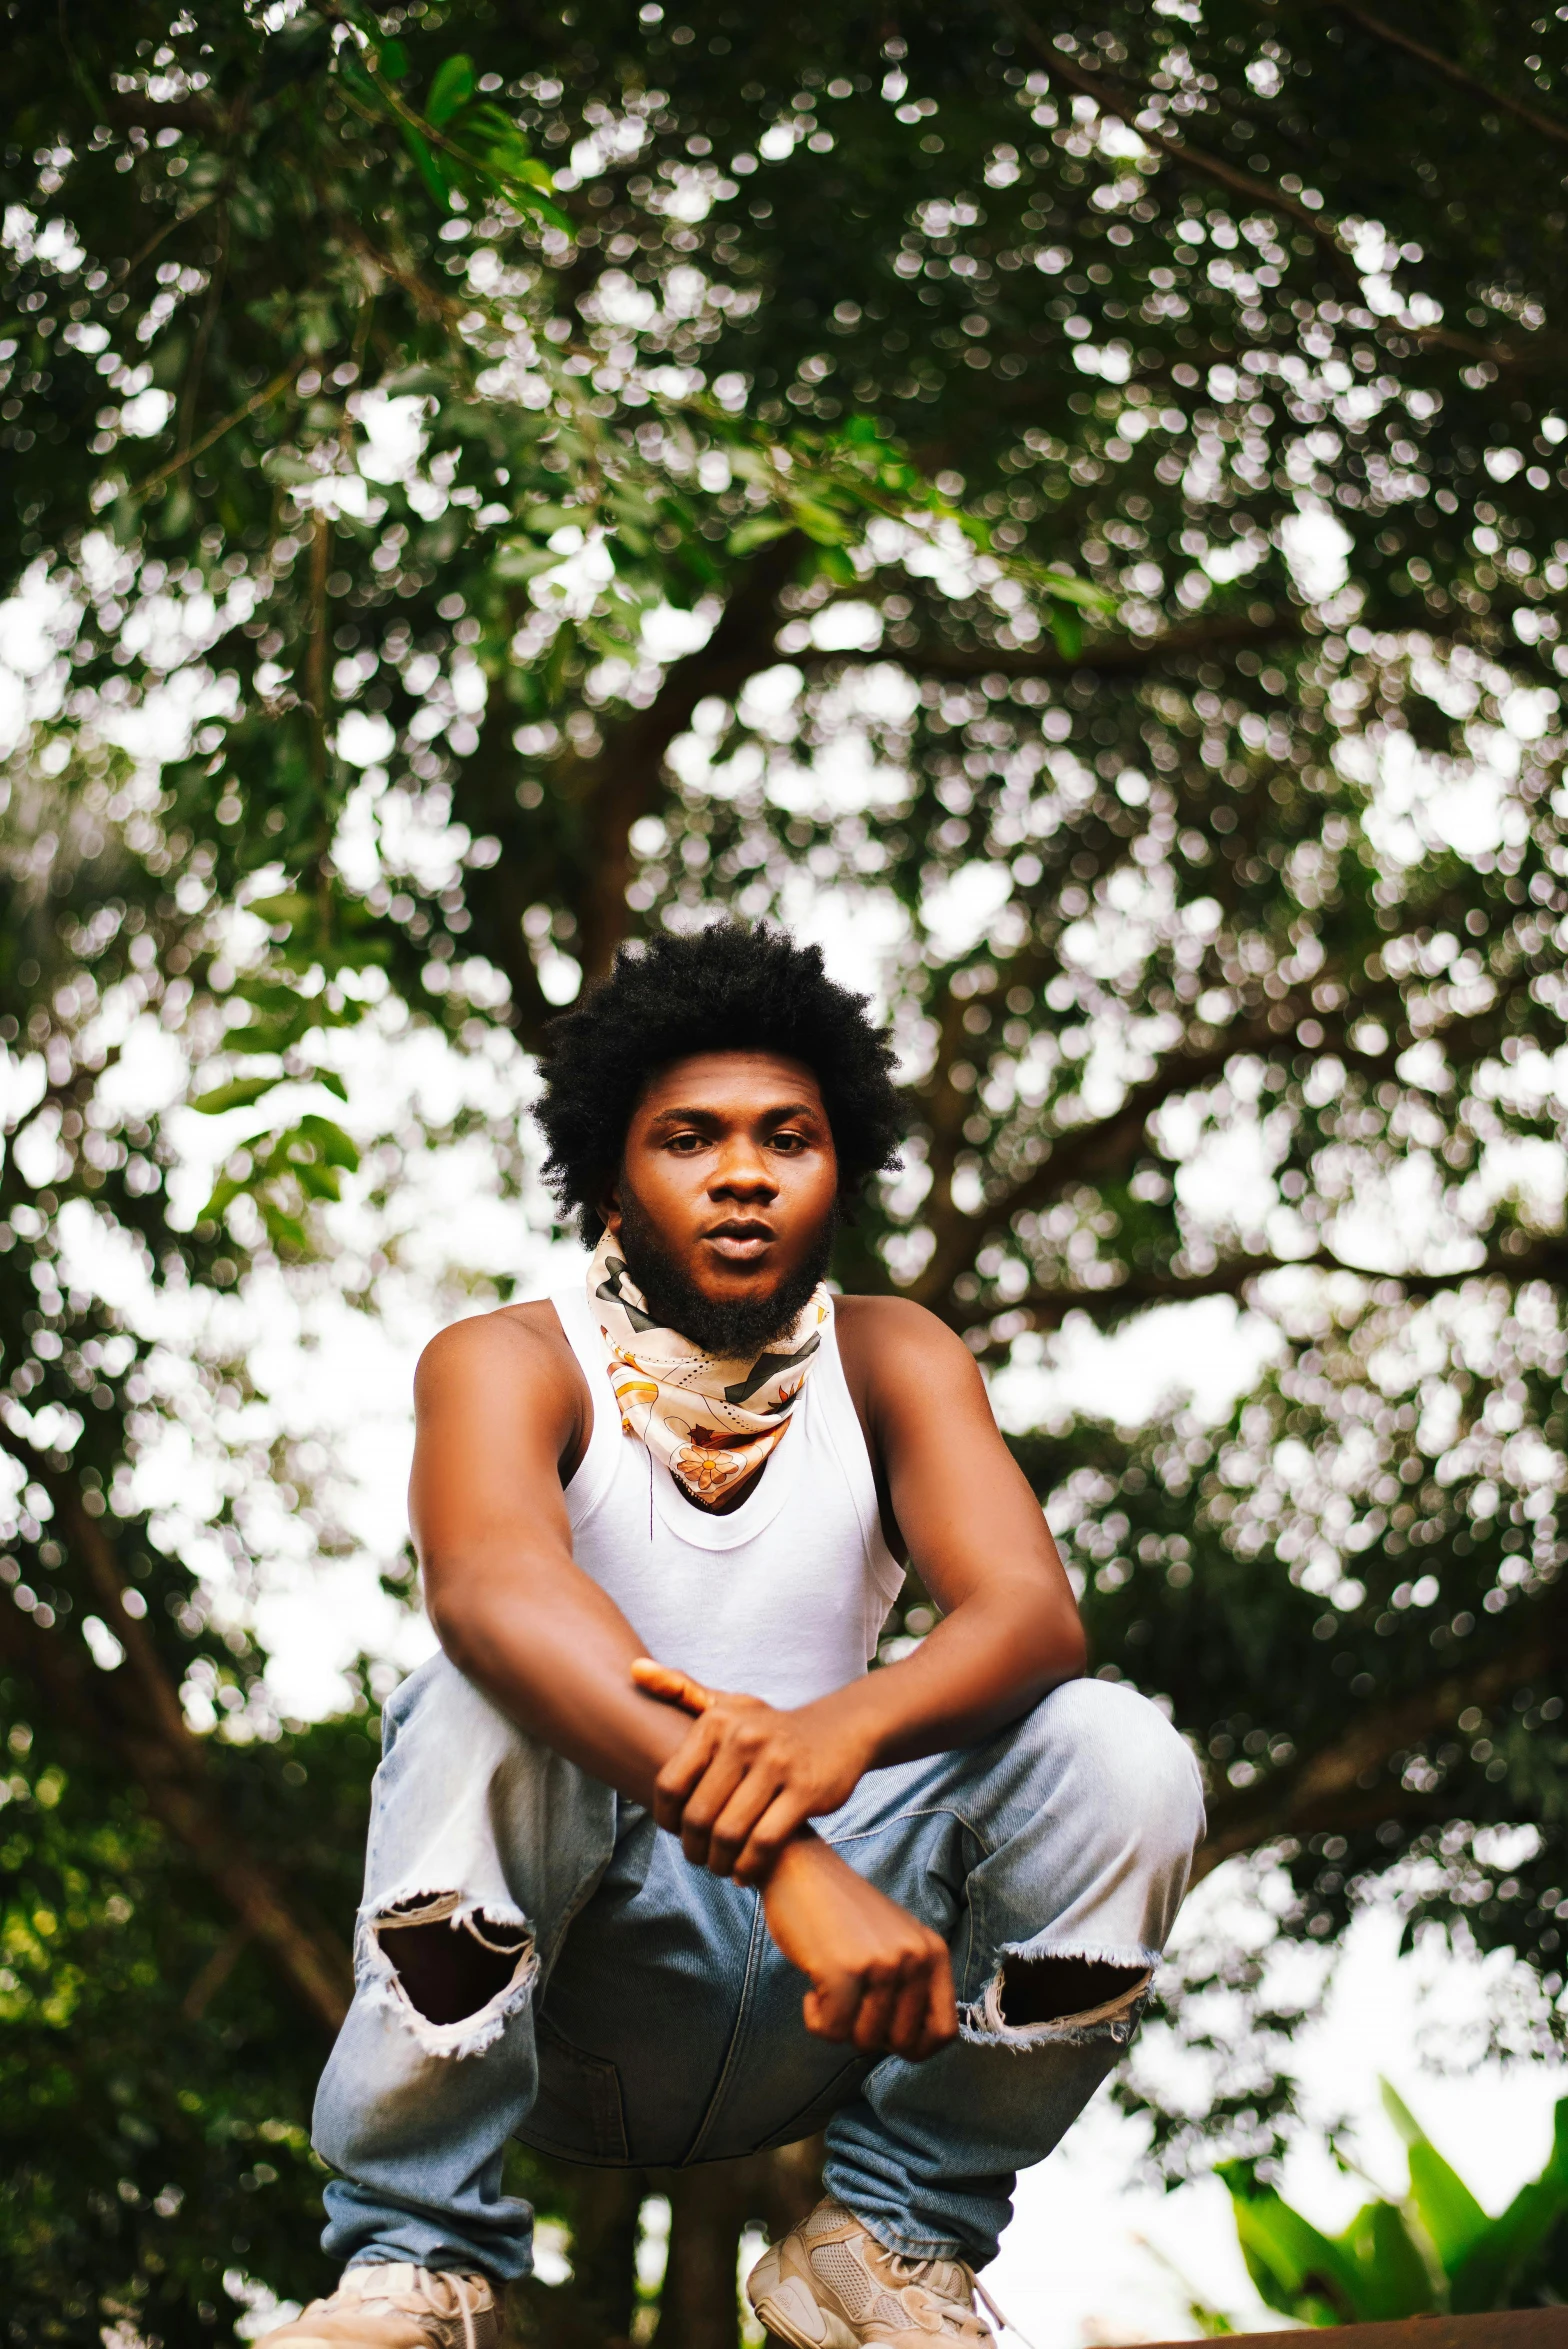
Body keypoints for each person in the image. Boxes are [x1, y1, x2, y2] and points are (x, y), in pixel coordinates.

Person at [268, 924, 1204, 2349]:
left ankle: (890, 2243)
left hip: (838, 2003)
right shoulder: (509, 1361)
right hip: (568, 1988)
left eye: (790, 1137)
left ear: (841, 1166)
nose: (746, 1172)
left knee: (1123, 1754)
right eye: (689, 1139)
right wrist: (783, 1851)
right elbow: (496, 1594)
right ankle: (417, 2267)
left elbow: (1031, 1614)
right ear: (611, 1176)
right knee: (477, 1693)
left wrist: (835, 1736)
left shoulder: (896, 1357)